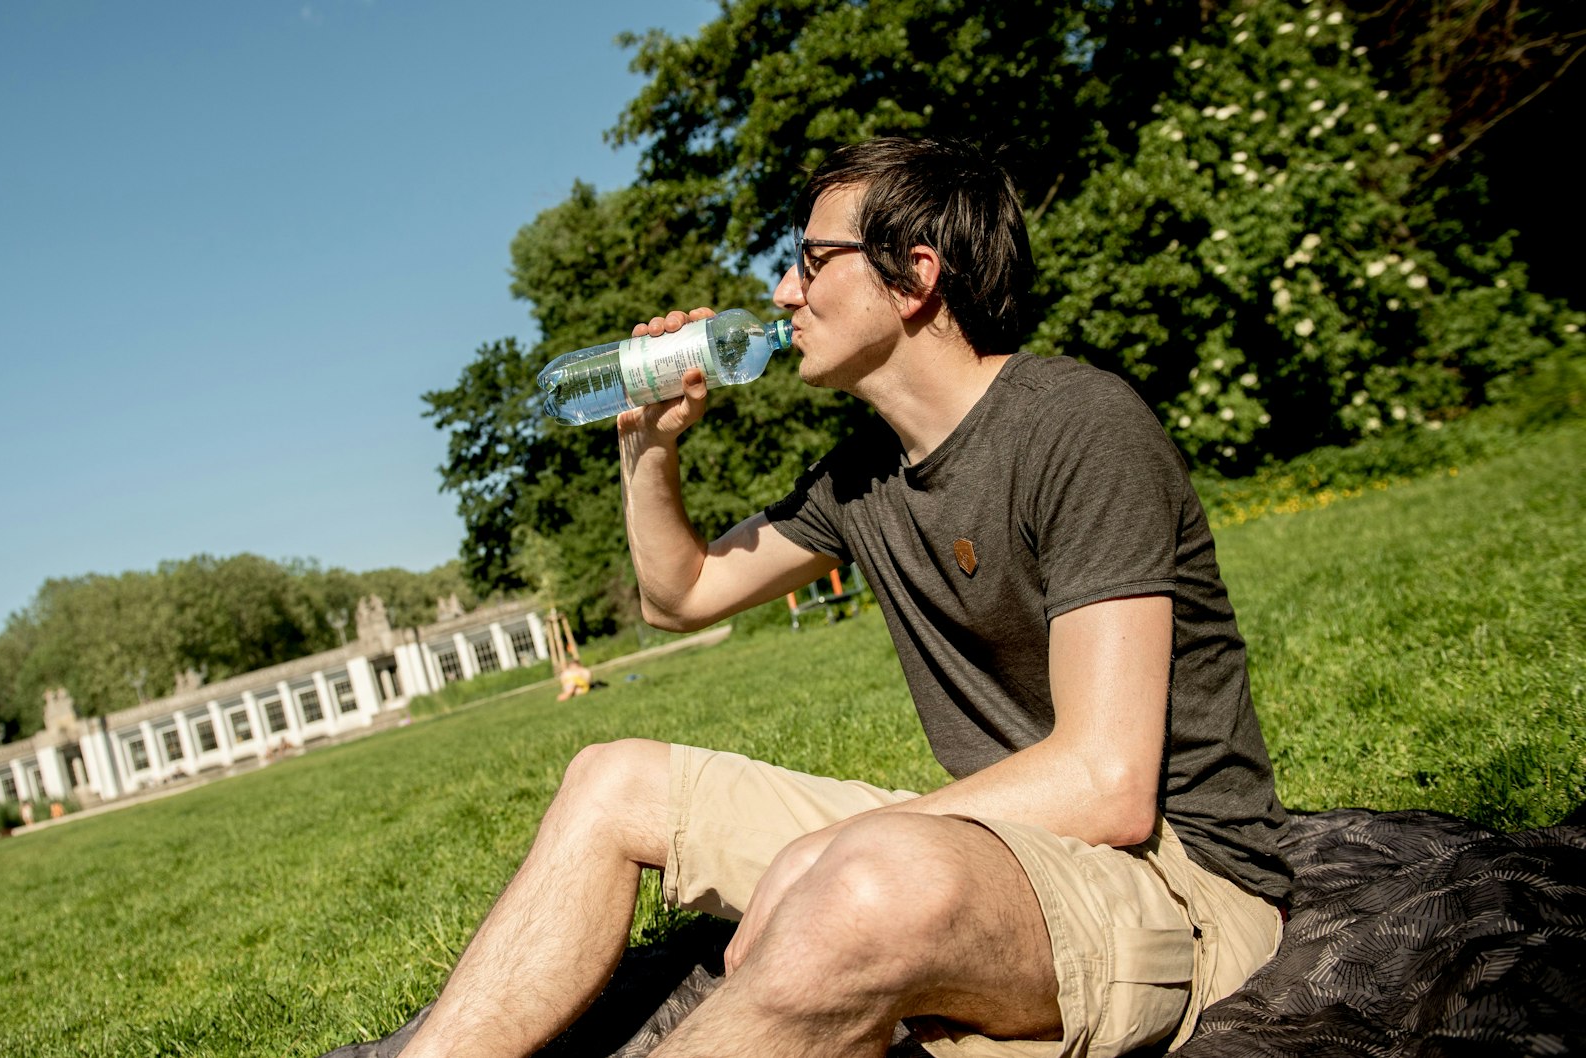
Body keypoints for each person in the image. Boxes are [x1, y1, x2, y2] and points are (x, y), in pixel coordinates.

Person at [394, 137, 1290, 1058]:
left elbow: (1109, 786)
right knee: (611, 784)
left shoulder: (1081, 429)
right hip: (1001, 846)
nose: (783, 293)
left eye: (813, 262)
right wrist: (650, 441)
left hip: (1178, 883)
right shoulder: (860, 478)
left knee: (864, 875)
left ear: (915, 278)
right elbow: (681, 593)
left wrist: (825, 853)